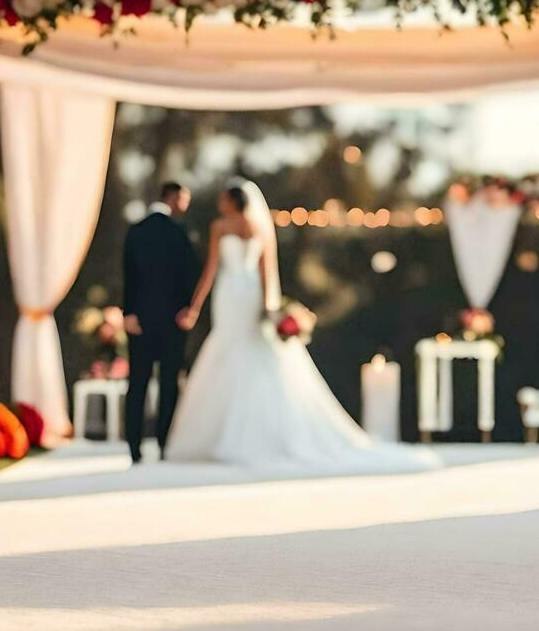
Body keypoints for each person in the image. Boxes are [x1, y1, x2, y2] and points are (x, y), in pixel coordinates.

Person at [164, 178, 437, 475]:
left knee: (233, 351)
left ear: (232, 202)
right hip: (248, 294)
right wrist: (270, 306)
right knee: (244, 351)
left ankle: (231, 436)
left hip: (231, 293)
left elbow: (212, 271)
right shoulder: (258, 227)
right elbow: (267, 274)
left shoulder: (220, 228)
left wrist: (195, 306)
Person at [122, 181, 197, 463]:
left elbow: (127, 276)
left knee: (137, 383)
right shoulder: (181, 233)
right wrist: (188, 310)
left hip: (139, 320)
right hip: (172, 323)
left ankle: (134, 446)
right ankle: (165, 443)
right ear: (174, 198)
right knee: (168, 383)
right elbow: (191, 275)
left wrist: (128, 313)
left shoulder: (136, 231)